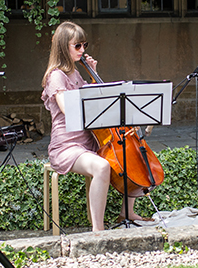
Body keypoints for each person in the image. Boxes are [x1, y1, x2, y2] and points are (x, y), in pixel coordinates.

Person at [41, 21, 146, 231]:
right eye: (77, 46)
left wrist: (93, 75)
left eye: (84, 45)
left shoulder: (74, 73)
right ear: (63, 47)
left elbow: (99, 99)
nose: (82, 50)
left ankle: (127, 211)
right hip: (67, 146)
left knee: (128, 152)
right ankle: (98, 231)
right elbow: (67, 109)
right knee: (102, 166)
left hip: (88, 142)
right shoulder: (56, 76)